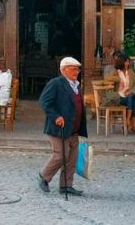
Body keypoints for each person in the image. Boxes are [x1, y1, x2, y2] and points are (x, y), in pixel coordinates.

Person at [37, 56, 88, 197]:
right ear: (64, 70)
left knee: (72, 158)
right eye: (73, 69)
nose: (76, 71)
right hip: (58, 127)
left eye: (77, 69)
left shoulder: (76, 85)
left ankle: (66, 185)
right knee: (60, 155)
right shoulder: (56, 83)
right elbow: (44, 102)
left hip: (74, 128)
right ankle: (43, 176)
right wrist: (56, 116)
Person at [107, 53, 135, 133]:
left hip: (129, 95)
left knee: (134, 100)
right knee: (134, 100)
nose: (128, 63)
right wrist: (119, 79)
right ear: (122, 62)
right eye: (126, 62)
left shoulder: (131, 72)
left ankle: (129, 120)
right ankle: (132, 122)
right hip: (119, 96)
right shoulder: (116, 71)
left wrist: (130, 91)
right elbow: (108, 78)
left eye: (129, 62)